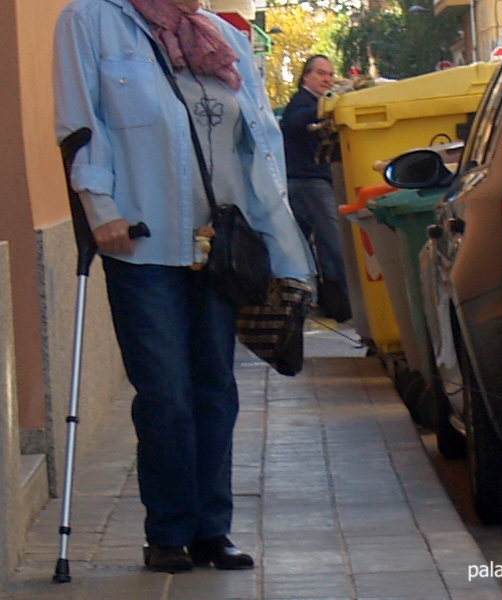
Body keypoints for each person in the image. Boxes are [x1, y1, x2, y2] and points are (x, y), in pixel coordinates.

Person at [53, 0, 314, 573]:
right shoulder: (90, 21)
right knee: (167, 394)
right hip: (142, 241)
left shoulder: (222, 35)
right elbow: (79, 125)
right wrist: (100, 208)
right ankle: (167, 530)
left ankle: (211, 531)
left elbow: (260, 140)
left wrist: (274, 231)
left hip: (219, 244)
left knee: (215, 388)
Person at [281, 55, 352, 323]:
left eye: (330, 74)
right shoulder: (303, 102)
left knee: (316, 246)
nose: (328, 79)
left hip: (306, 182)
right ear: (306, 77)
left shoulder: (311, 102)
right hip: (309, 184)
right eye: (321, 74)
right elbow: (295, 122)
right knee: (336, 243)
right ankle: (352, 300)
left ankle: (333, 303)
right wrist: (327, 104)